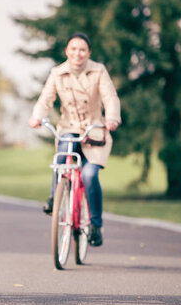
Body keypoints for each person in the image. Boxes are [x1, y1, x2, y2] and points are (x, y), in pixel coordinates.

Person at [28, 32, 121, 247]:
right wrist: (37, 117)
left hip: (95, 131)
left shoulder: (98, 71)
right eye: (73, 49)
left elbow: (110, 97)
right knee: (62, 154)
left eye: (82, 50)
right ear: (66, 51)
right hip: (69, 128)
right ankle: (55, 199)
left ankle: (96, 225)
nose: (77, 53)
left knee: (89, 175)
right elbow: (46, 99)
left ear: (88, 53)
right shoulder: (57, 73)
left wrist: (112, 118)